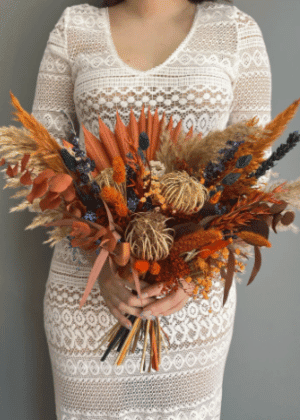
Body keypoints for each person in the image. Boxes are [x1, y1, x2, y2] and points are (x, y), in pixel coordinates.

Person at [31, 0, 272, 418]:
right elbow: (42, 161)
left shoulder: (235, 30)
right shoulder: (75, 27)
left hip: (192, 302)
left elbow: (253, 174)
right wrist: (101, 265)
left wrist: (191, 274)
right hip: (88, 295)